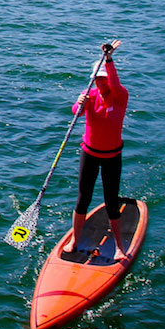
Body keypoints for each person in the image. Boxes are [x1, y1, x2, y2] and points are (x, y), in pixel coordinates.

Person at [62, 40, 130, 261]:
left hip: (112, 156)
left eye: (103, 78)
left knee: (111, 201)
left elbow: (116, 83)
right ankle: (74, 240)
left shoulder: (120, 96)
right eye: (97, 79)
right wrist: (78, 104)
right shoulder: (89, 94)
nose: (100, 83)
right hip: (89, 154)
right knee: (83, 199)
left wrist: (108, 60)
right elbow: (75, 113)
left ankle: (119, 246)